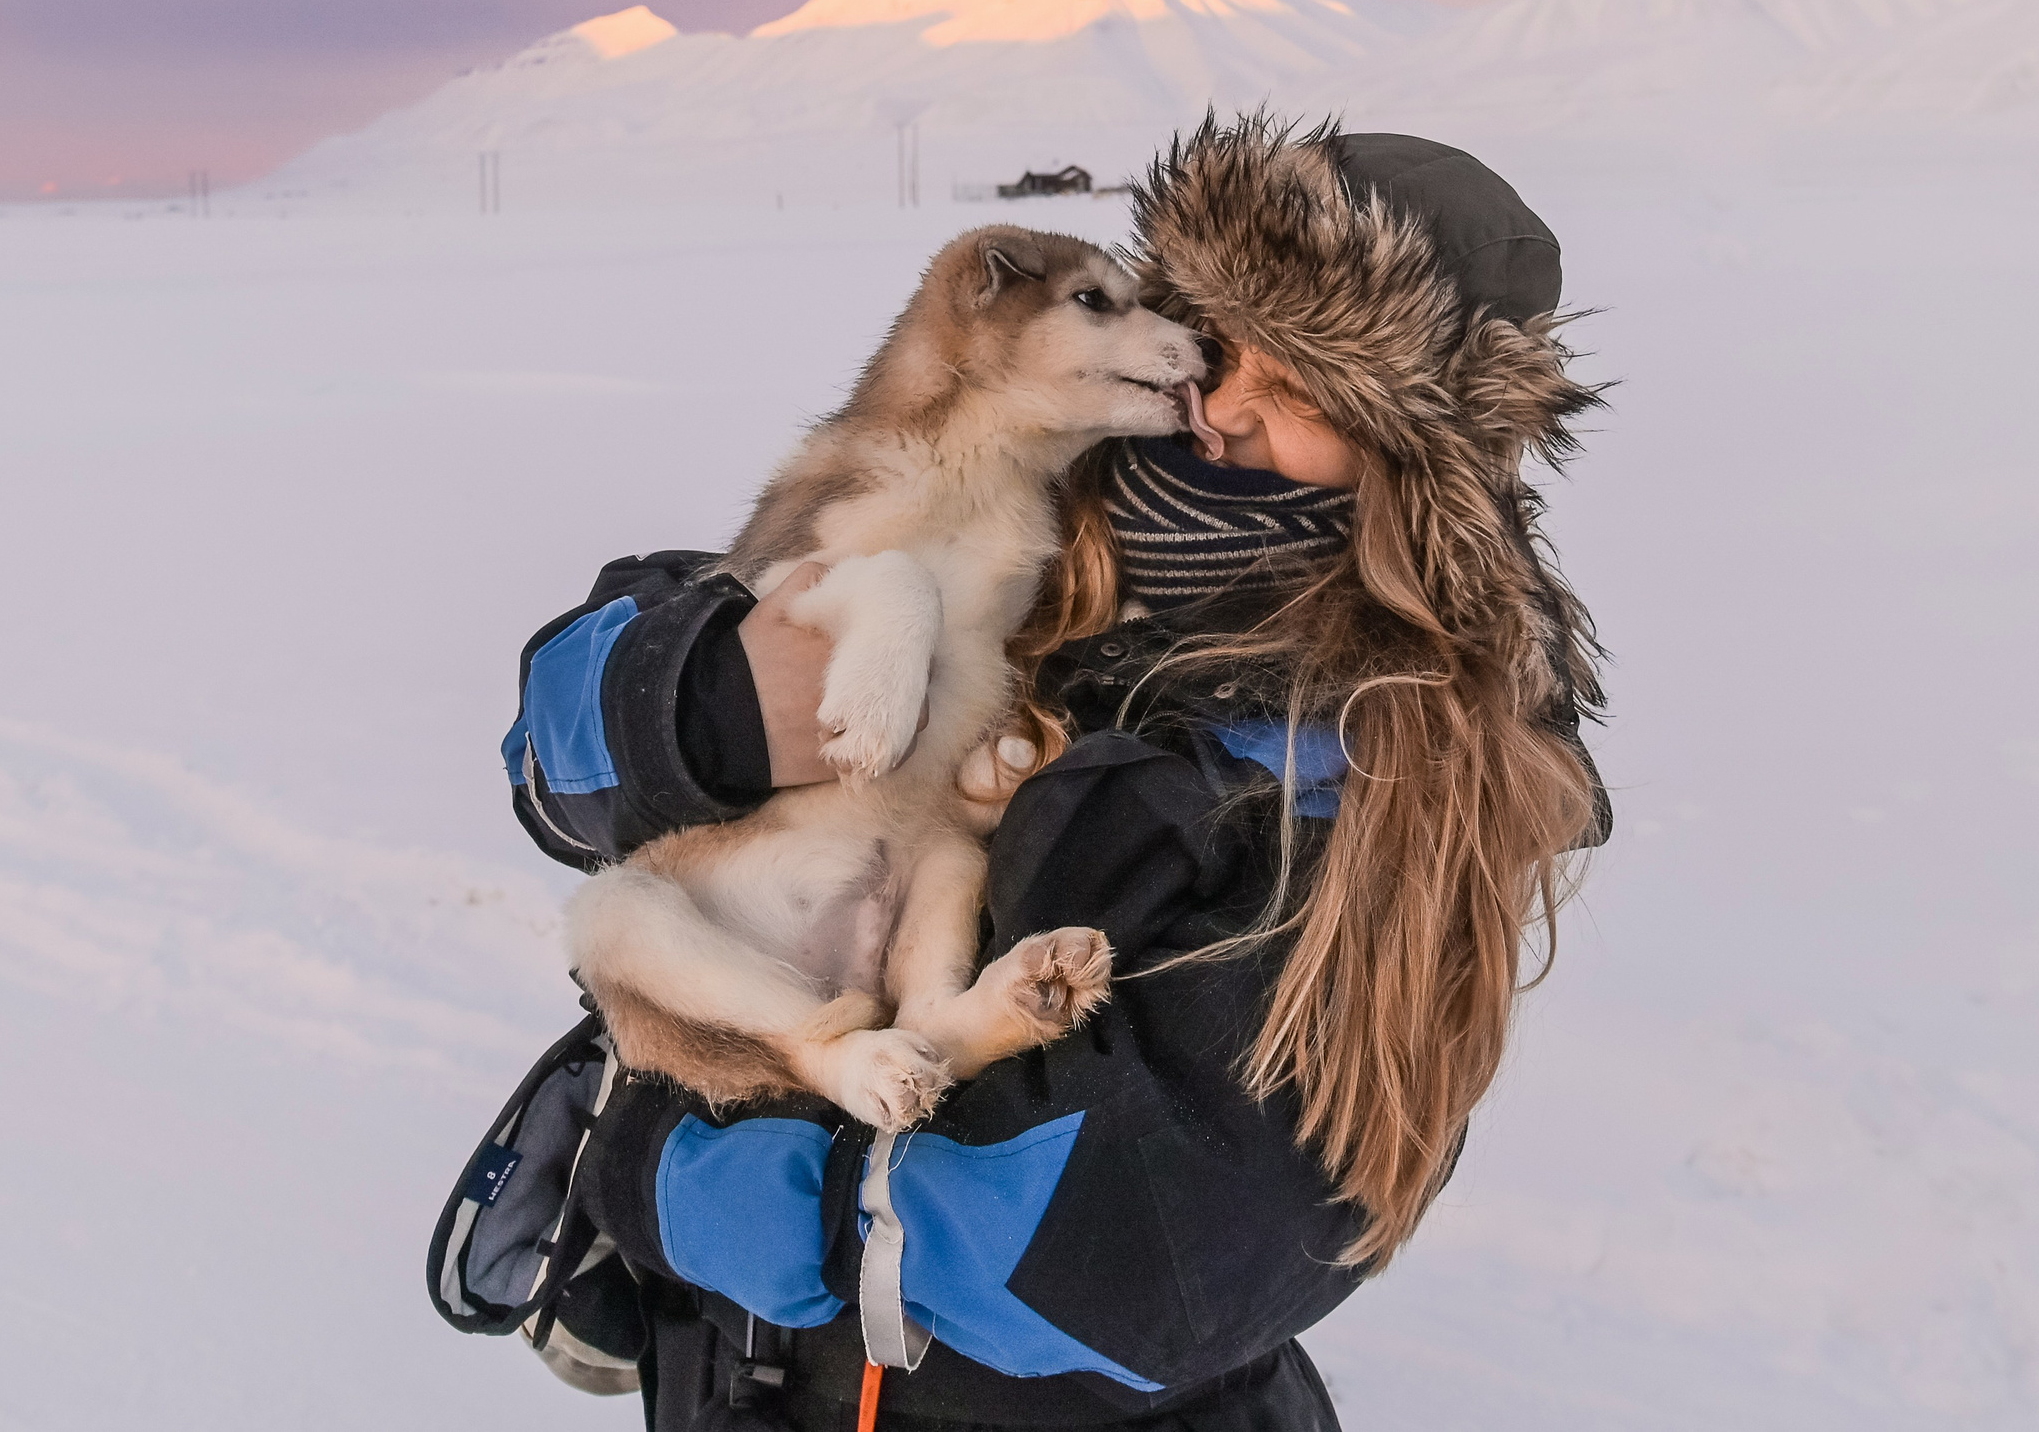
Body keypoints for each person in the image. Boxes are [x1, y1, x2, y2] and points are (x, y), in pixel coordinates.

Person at [499, 113, 1610, 1431]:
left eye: (1313, 395)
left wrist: (672, 1175)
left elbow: (1133, 1271)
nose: (1227, 407)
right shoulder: (1039, 485)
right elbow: (556, 743)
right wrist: (703, 708)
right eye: (1225, 338)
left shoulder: (1376, 760)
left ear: (1414, 456)